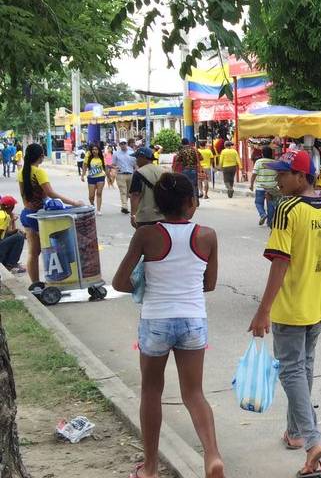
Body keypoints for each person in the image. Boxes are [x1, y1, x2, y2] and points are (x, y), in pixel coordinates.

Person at [111, 173, 224, 478]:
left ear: (157, 204)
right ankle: (212, 456)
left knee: (151, 391)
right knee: (194, 394)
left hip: (156, 320)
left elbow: (119, 282)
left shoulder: (147, 235)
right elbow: (209, 284)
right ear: (191, 202)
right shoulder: (207, 235)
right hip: (192, 319)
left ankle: (149, 467)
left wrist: (144, 281)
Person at [248, 149, 321, 478]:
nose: (278, 179)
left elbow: (280, 261)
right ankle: (295, 431)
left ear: (301, 177)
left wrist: (263, 310)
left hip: (291, 307)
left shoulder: (286, 209)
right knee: (304, 368)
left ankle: (311, 439)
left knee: (291, 372)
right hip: (317, 303)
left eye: (284, 174)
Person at [18, 144, 83, 283]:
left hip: (27, 214)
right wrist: (74, 203)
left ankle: (35, 284)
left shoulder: (21, 172)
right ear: (41, 156)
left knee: (33, 253)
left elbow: (24, 196)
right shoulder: (39, 172)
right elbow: (50, 193)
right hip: (41, 216)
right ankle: (59, 280)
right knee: (53, 248)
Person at [129, 147, 165, 228]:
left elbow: (135, 195)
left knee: (144, 240)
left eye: (137, 157)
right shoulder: (164, 171)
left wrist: (133, 215)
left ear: (143, 158)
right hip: (164, 215)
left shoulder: (138, 173)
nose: (136, 160)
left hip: (145, 217)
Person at [250, 146, 280, 226]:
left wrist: (251, 184)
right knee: (270, 204)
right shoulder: (275, 163)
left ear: (262, 154)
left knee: (258, 203)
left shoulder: (259, 162)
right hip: (272, 187)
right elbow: (278, 175)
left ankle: (263, 214)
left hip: (260, 187)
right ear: (271, 154)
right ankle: (270, 222)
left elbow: (254, 174)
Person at [0, 196, 26, 274]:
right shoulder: (3, 216)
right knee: (19, 237)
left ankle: (7, 261)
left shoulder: (4, 214)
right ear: (11, 207)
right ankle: (11, 264)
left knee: (17, 235)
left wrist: (13, 222)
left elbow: (7, 232)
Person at [112, 140, 137, 214]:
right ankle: (124, 206)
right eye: (121, 144)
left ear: (126, 144)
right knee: (123, 191)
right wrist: (115, 167)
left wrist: (136, 171)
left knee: (129, 192)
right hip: (120, 174)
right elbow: (113, 164)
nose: (123, 145)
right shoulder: (116, 154)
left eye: (124, 143)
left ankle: (126, 205)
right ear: (119, 145)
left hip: (130, 174)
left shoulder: (132, 153)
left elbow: (135, 164)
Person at [81, 144, 106, 215]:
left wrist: (108, 176)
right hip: (91, 178)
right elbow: (85, 166)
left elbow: (105, 167)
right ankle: (92, 205)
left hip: (100, 177)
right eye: (93, 149)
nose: (94, 151)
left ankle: (98, 210)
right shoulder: (88, 157)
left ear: (98, 150)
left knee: (99, 193)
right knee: (91, 196)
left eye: (96, 149)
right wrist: (83, 175)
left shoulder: (102, 157)